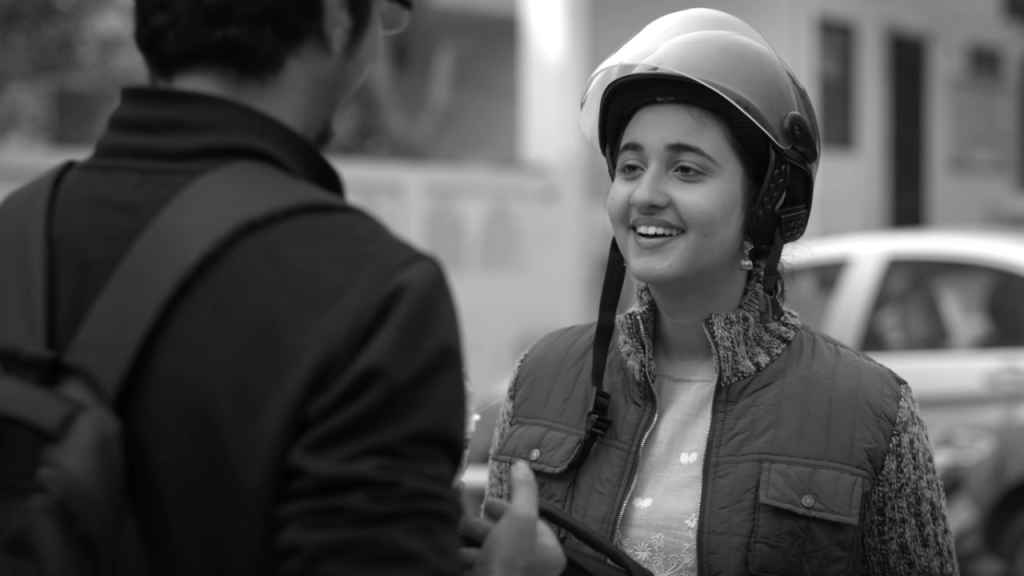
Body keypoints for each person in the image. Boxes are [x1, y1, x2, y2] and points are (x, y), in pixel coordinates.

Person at [37, 0, 560, 574]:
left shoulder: (19, 228)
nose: (375, 49)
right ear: (335, 20)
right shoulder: (371, 291)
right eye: (382, 20)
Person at [485, 8, 958, 576]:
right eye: (630, 167)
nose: (645, 194)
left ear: (763, 205)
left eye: (686, 170)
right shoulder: (540, 377)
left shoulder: (873, 413)